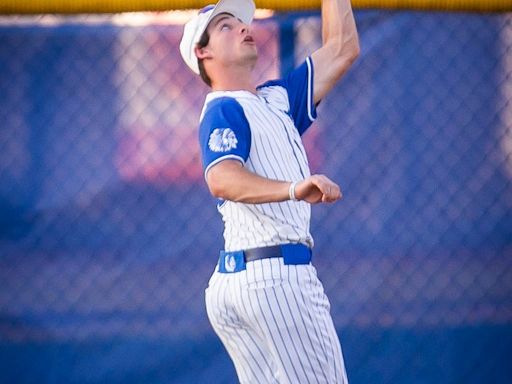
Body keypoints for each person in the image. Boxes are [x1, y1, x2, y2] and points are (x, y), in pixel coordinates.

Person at [180, 0, 359, 382]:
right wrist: (294, 188)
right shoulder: (223, 108)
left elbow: (343, 48)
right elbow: (222, 179)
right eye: (226, 26)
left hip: (242, 283)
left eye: (244, 23)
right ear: (203, 51)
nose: (244, 28)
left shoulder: (276, 99)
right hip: (276, 280)